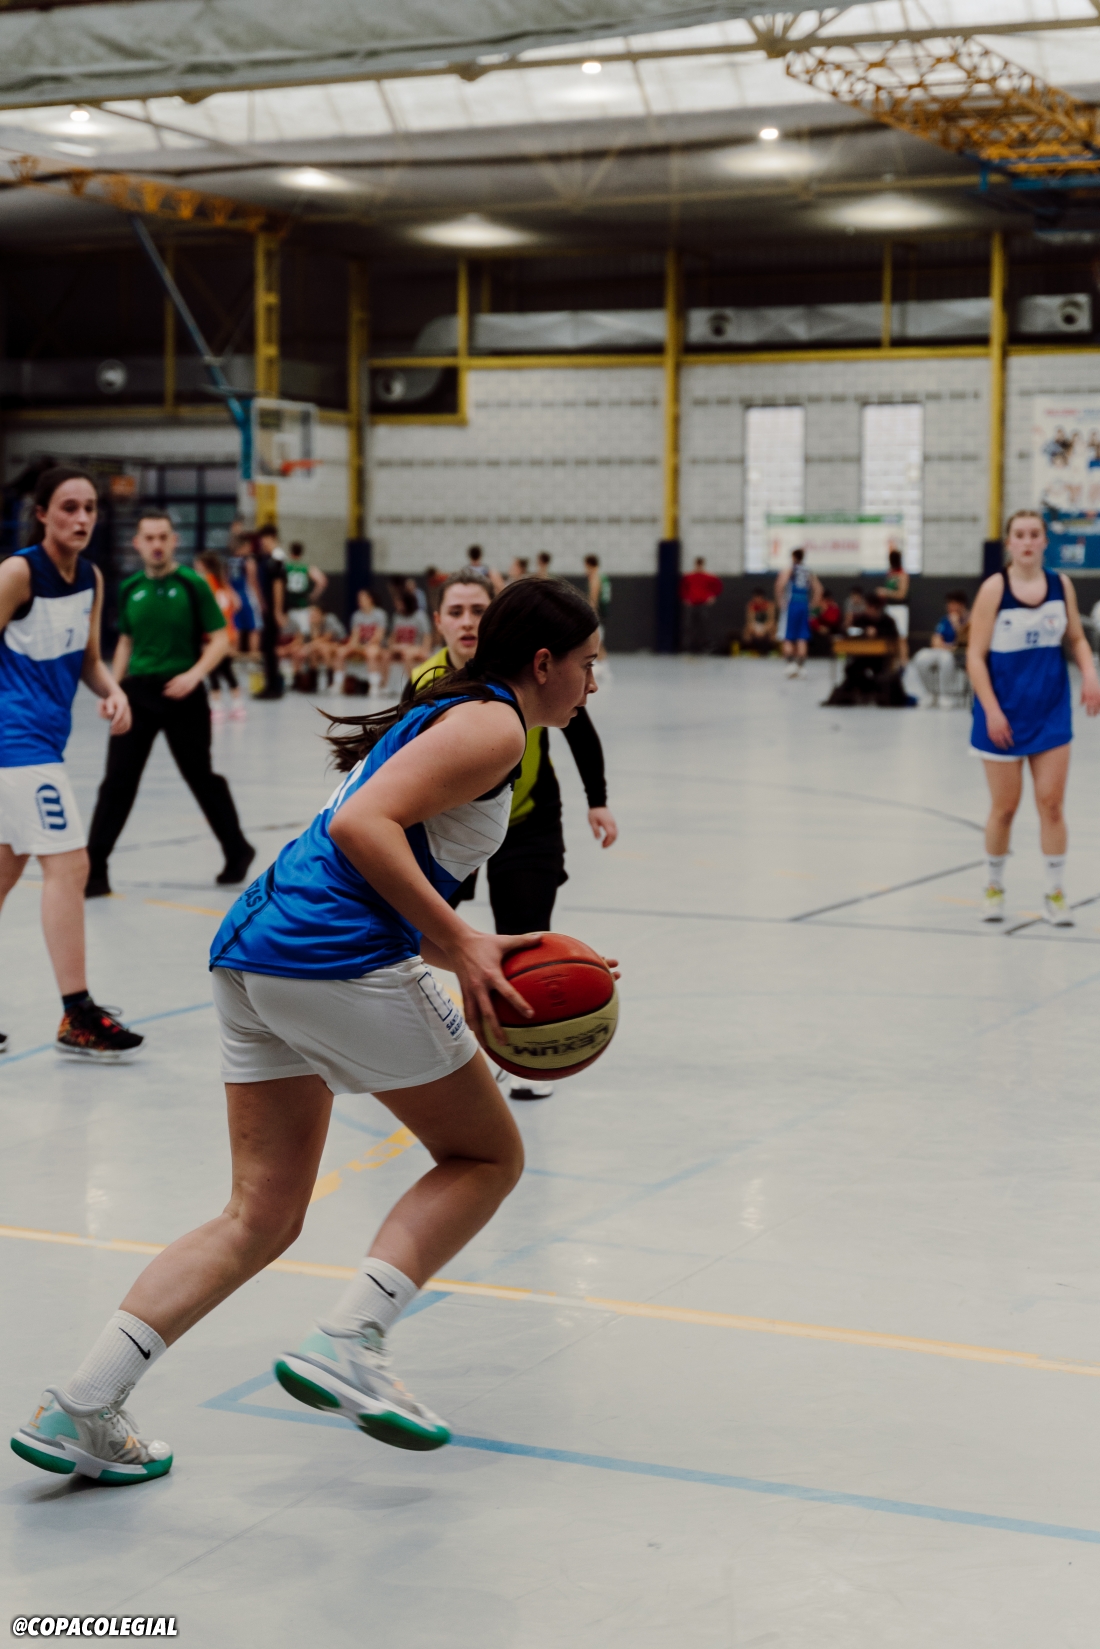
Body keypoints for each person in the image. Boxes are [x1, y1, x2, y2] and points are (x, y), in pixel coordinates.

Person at [11, 579, 612, 1484]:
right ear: (542, 662)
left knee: (259, 1214)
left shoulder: (453, 710)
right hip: (330, 955)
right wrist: (460, 941)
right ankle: (350, 1340)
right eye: (588, 663)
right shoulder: (496, 725)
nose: (593, 683)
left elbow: (367, 864)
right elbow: (363, 826)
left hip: (256, 948)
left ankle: (80, 1404)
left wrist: (487, 955)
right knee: (488, 1156)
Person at [412, 574, 618, 1101]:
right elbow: (360, 820)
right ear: (438, 622)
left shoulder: (527, 698)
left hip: (526, 818)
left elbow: (581, 731)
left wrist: (597, 799)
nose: (467, 621)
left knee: (525, 931)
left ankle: (526, 1042)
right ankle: (441, 1035)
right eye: (455, 611)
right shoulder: (450, 695)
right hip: (455, 824)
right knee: (420, 926)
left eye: (478, 609)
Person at [0, 466, 143, 1060]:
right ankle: (77, 1013)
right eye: (68, 507)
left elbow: (88, 658)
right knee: (70, 863)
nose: (81, 518)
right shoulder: (17, 573)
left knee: (3, 875)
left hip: (43, 742)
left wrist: (112, 690)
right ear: (41, 514)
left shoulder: (90, 577)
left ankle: (77, 1013)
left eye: (89, 508)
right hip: (15, 744)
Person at [84, 513, 255, 898]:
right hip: (137, 695)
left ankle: (237, 849)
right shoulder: (130, 588)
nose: (157, 544)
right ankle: (94, 870)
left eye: (163, 536)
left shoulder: (193, 584)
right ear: (138, 543)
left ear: (174, 540)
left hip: (183, 693)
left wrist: (195, 675)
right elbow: (125, 641)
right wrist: (114, 689)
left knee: (201, 776)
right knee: (118, 781)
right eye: (149, 537)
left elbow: (220, 639)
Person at [968, 509, 1100, 926]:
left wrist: (1090, 674)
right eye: (1020, 535)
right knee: (1005, 808)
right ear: (1009, 543)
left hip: (1050, 712)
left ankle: (1055, 894)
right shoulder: (994, 589)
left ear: (1045, 541)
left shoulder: (1061, 585)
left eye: (1034, 534)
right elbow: (974, 656)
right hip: (1002, 714)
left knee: (1052, 805)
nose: (1027, 542)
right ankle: (993, 887)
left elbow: (1076, 638)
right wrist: (991, 710)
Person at [197, 552, 246, 724]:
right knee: (227, 670)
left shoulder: (205, 582)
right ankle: (238, 706)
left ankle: (216, 707)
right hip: (229, 634)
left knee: (212, 671)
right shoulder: (223, 584)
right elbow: (238, 604)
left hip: (213, 636)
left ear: (203, 565)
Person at [912, 590, 970, 707]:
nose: (950, 607)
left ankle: (946, 695)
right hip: (943, 650)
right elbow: (935, 641)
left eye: (953, 604)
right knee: (921, 657)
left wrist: (956, 625)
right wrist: (947, 646)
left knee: (946, 659)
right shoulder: (945, 620)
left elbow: (964, 641)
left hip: (958, 654)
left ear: (961, 605)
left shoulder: (970, 619)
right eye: (949, 604)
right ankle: (930, 693)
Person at [252, 525, 287, 699]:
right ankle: (271, 683)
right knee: (267, 648)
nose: (262, 543)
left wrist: (277, 611)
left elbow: (278, 585)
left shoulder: (277, 558)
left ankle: (274, 687)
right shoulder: (265, 558)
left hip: (273, 610)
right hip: (267, 610)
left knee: (271, 648)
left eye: (265, 539)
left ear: (272, 538)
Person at [775, 548, 821, 678]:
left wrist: (780, 601)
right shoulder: (808, 571)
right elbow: (819, 589)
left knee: (788, 637)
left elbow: (780, 585)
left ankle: (790, 665)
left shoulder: (790, 569)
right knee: (802, 637)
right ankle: (800, 667)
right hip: (804, 605)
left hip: (792, 605)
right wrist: (812, 604)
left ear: (793, 557)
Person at [339, 587, 390, 694]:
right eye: (358, 598)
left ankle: (374, 685)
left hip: (376, 646)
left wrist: (365, 646)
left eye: (362, 598)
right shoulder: (356, 615)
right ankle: (338, 683)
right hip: (361, 645)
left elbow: (378, 636)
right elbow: (355, 635)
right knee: (341, 651)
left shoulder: (380, 614)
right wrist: (353, 646)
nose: (359, 601)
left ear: (370, 599)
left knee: (371, 652)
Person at [283, 542, 328, 640]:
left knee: (288, 633)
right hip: (302, 605)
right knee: (304, 634)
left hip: (288, 605)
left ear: (290, 553)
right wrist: (313, 595)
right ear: (301, 553)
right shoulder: (306, 567)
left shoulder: (286, 567)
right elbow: (322, 581)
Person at [387, 587, 432, 683]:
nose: (396, 605)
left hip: (416, 648)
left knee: (407, 654)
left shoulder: (420, 616)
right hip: (401, 647)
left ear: (406, 602)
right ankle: (383, 685)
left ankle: (414, 683)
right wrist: (392, 646)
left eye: (399, 602)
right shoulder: (396, 616)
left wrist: (425, 651)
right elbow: (392, 637)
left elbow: (427, 636)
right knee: (385, 655)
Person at [680, 556, 722, 654]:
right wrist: (685, 598)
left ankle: (704, 646)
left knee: (703, 626)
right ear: (695, 565)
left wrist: (712, 596)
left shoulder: (709, 577)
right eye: (697, 565)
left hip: (703, 604)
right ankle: (689, 646)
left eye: (700, 565)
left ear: (703, 565)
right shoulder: (689, 576)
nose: (699, 567)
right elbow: (682, 588)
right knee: (689, 626)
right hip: (692, 604)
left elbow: (718, 586)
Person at [877, 548, 911, 664]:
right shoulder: (890, 574)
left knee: (901, 638)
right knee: (890, 638)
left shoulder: (903, 575)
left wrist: (885, 592)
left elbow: (902, 594)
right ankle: (892, 663)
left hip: (900, 609)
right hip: (889, 608)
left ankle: (904, 663)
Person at [742, 587, 776, 656]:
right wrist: (756, 629)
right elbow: (750, 620)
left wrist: (764, 629)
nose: (756, 599)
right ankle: (749, 650)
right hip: (756, 625)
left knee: (774, 629)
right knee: (746, 630)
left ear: (762, 597)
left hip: (767, 625)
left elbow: (771, 619)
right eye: (754, 597)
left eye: (758, 597)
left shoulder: (770, 605)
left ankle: (772, 650)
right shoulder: (751, 605)